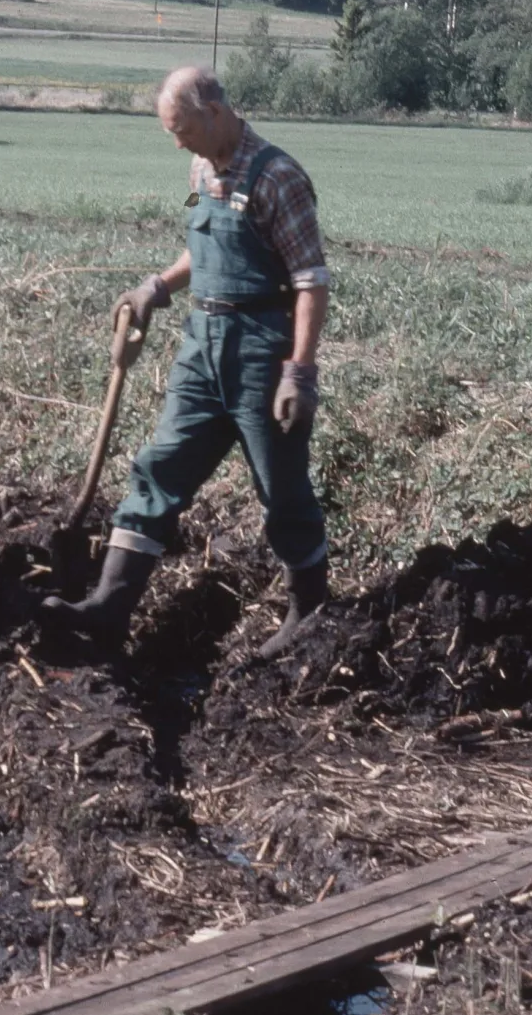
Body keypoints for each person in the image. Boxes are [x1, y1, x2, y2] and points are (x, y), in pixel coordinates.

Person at [44, 66, 331, 654]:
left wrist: (299, 373)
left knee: (281, 488)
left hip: (260, 352)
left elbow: (310, 282)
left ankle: (309, 613)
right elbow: (202, 246)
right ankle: (108, 608)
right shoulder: (200, 167)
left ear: (214, 112)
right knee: (159, 468)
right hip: (202, 345)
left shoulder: (279, 178)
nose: (176, 142)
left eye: (182, 129)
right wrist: (158, 286)